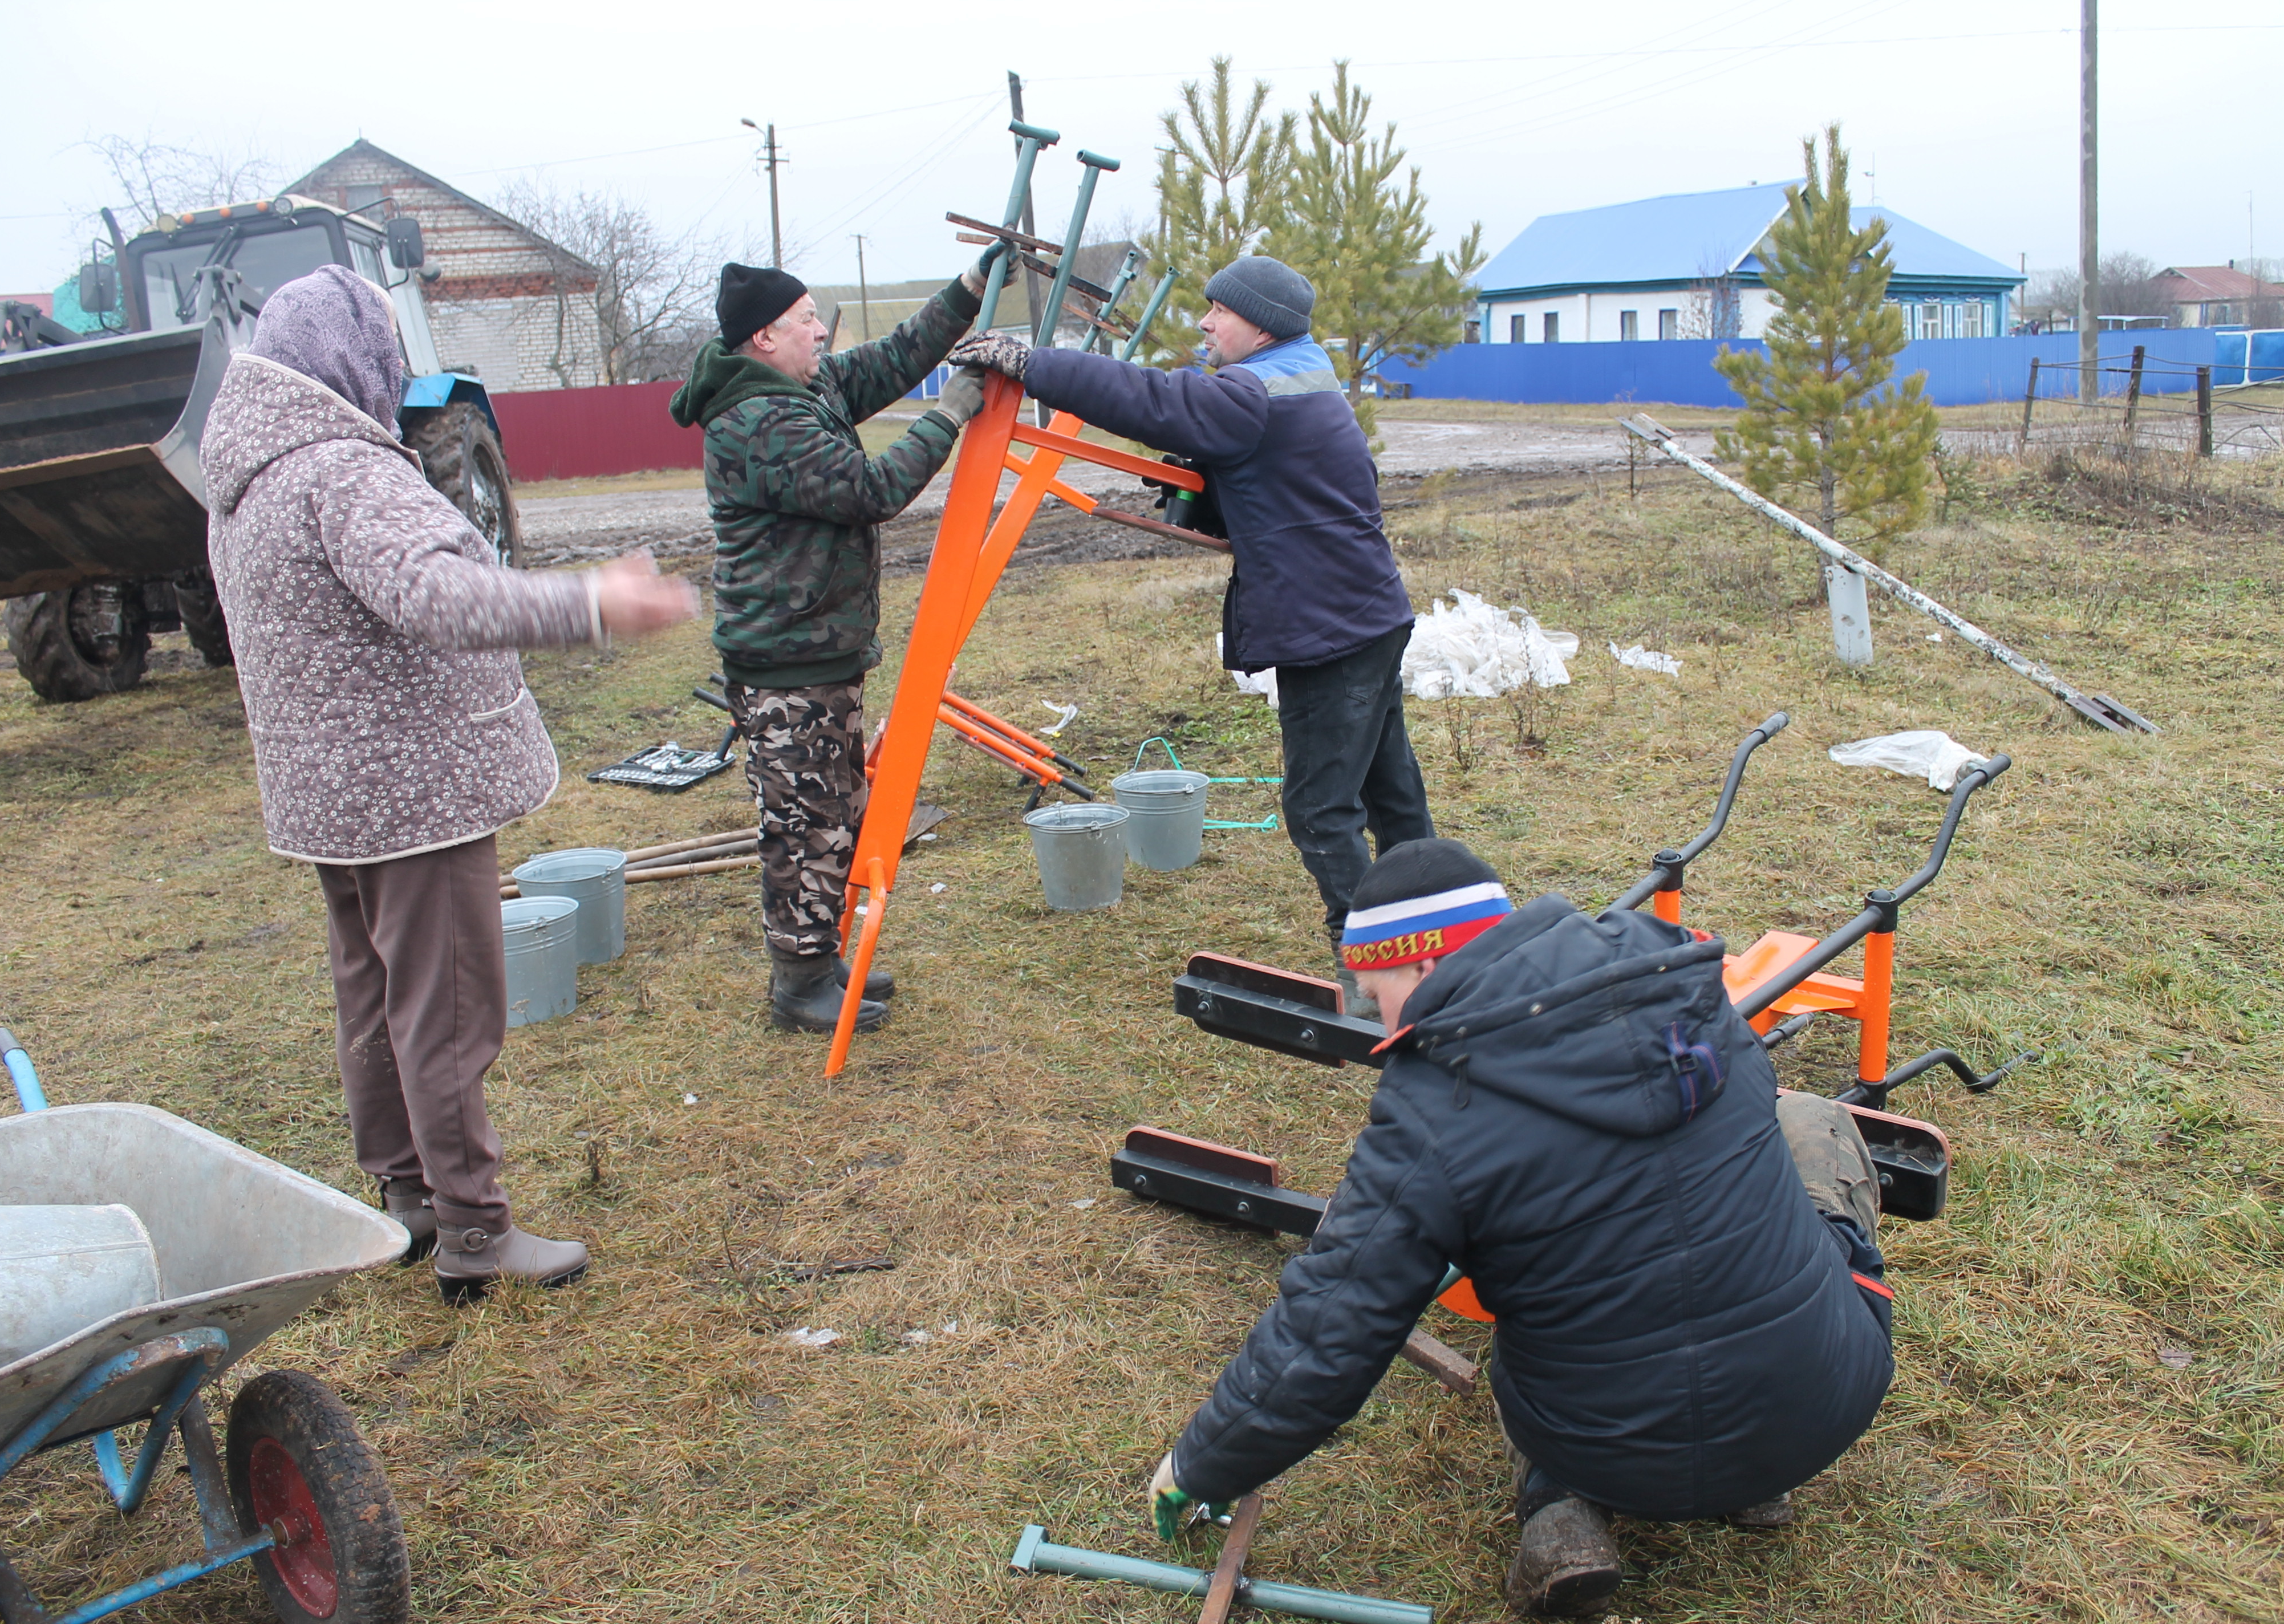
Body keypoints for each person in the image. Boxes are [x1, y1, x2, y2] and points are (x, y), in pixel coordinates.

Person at [1140, 838, 1897, 1617]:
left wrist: (1202, 1465)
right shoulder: (1689, 996)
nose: (1378, 1020)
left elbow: (1329, 1329)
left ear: (1426, 966)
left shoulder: (1433, 1109)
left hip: (1616, 1459)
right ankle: (1761, 1478)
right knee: (1808, 1120)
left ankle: (1558, 1505)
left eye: (1376, 993)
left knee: (1524, 1326)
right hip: (1823, 1410)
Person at [201, 265, 699, 1302]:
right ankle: (475, 1230)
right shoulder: (344, 468)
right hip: (411, 791)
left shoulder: (250, 473)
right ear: (354, 357)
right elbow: (435, 593)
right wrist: (592, 605)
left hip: (330, 797)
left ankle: (410, 1196)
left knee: (376, 998)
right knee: (448, 1009)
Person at [950, 257, 1431, 1016]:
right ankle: (1441, 938)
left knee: (1318, 809)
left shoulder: (1251, 392)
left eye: (1219, 312)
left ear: (1261, 324)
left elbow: (1151, 397)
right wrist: (1208, 485)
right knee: (1390, 794)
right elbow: (1295, 488)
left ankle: (1379, 975)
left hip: (1330, 635)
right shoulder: (1308, 378)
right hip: (1370, 616)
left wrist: (1031, 365)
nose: (1205, 325)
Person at [668, 256, 994, 1034]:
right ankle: (798, 983)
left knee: (834, 811)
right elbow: (871, 490)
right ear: (764, 336)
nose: (822, 329)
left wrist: (967, 292)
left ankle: (822, 958)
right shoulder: (759, 422)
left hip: (819, 649)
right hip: (786, 660)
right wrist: (949, 415)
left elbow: (892, 359)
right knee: (802, 822)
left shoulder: (800, 385)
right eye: (807, 318)